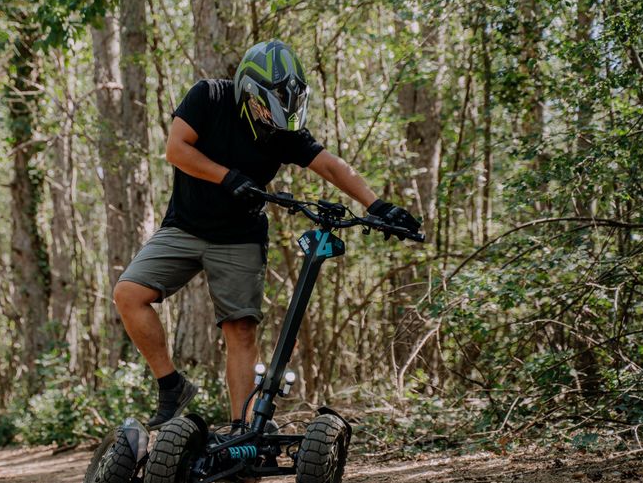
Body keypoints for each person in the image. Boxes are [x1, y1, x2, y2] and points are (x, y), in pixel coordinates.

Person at [113, 40, 420, 430]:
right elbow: (177, 149)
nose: (271, 116)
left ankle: (243, 431)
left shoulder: (284, 131)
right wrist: (227, 177)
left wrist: (378, 206)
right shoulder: (209, 96)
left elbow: (331, 166)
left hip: (240, 237)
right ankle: (172, 385)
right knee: (129, 294)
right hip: (185, 227)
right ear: (248, 90)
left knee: (240, 329)